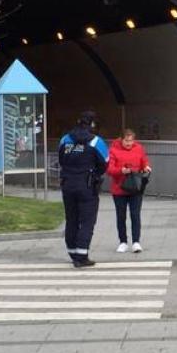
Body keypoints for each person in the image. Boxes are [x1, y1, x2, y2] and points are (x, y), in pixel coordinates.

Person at [58, 111, 109, 268]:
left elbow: (60, 159)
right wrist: (94, 175)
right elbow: (105, 163)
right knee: (87, 221)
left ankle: (73, 253)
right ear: (92, 124)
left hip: (67, 184)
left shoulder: (65, 139)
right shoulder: (96, 141)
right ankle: (82, 256)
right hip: (87, 186)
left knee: (71, 219)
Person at [107, 129, 151, 253]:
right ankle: (123, 242)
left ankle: (136, 242)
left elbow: (144, 161)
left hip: (135, 188)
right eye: (126, 140)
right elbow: (110, 169)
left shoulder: (139, 148)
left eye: (131, 141)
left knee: (135, 215)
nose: (129, 143)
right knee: (121, 216)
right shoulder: (114, 150)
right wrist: (121, 170)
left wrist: (146, 166)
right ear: (121, 139)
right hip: (119, 189)